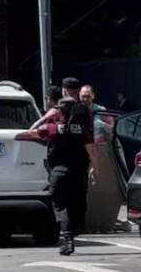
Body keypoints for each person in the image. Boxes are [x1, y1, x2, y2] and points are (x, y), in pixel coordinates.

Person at [31, 77, 100, 255]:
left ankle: (68, 235)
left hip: (60, 169)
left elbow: (33, 132)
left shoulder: (53, 127)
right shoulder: (83, 119)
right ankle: (72, 232)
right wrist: (95, 166)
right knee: (77, 204)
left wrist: (46, 118)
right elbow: (90, 143)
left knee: (61, 205)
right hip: (79, 168)